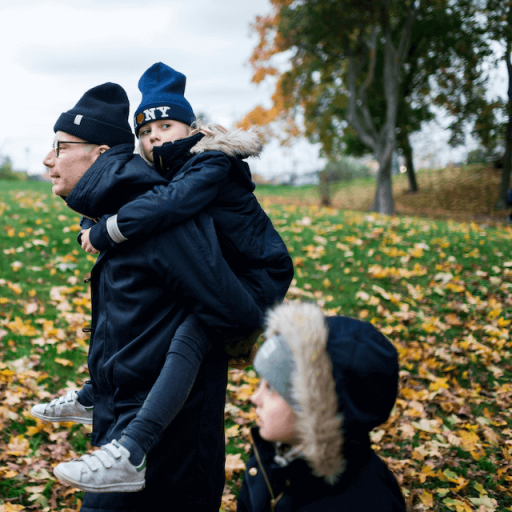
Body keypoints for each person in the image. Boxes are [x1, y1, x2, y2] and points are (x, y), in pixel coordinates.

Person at [33, 62, 293, 491]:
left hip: (258, 278)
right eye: (145, 133)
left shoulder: (209, 162)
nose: (153, 138)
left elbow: (170, 205)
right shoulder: (168, 173)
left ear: (190, 127)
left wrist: (109, 228)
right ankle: (95, 397)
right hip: (231, 280)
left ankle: (133, 449)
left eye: (165, 126)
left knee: (190, 340)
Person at [237, 301, 405, 512]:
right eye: (261, 382)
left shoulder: (363, 503)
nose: (255, 397)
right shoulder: (276, 453)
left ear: (316, 410)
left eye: (272, 388)